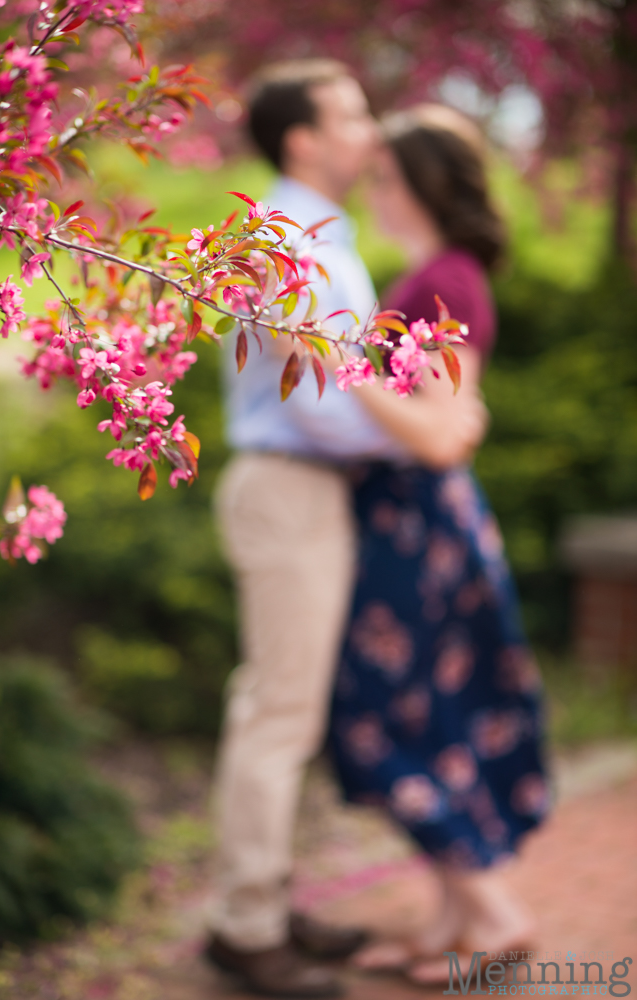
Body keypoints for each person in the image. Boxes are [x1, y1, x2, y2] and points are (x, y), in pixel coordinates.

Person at [205, 62, 488, 1000]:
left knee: (285, 711)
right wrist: (430, 431)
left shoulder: (322, 235)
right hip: (290, 483)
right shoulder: (283, 237)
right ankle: (245, 928)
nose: (370, 131)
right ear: (301, 139)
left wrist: (429, 420)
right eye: (351, 115)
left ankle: (264, 906)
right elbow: (325, 403)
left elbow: (341, 385)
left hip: (311, 488)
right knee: (277, 714)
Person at [326, 104, 550, 987]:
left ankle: (493, 913)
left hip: (418, 518)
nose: (373, 190)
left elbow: (442, 430)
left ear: (421, 181)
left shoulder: (444, 282)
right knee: (428, 709)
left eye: (384, 175)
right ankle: (452, 921)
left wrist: (336, 361)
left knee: (393, 714)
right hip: (417, 516)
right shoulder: (436, 275)